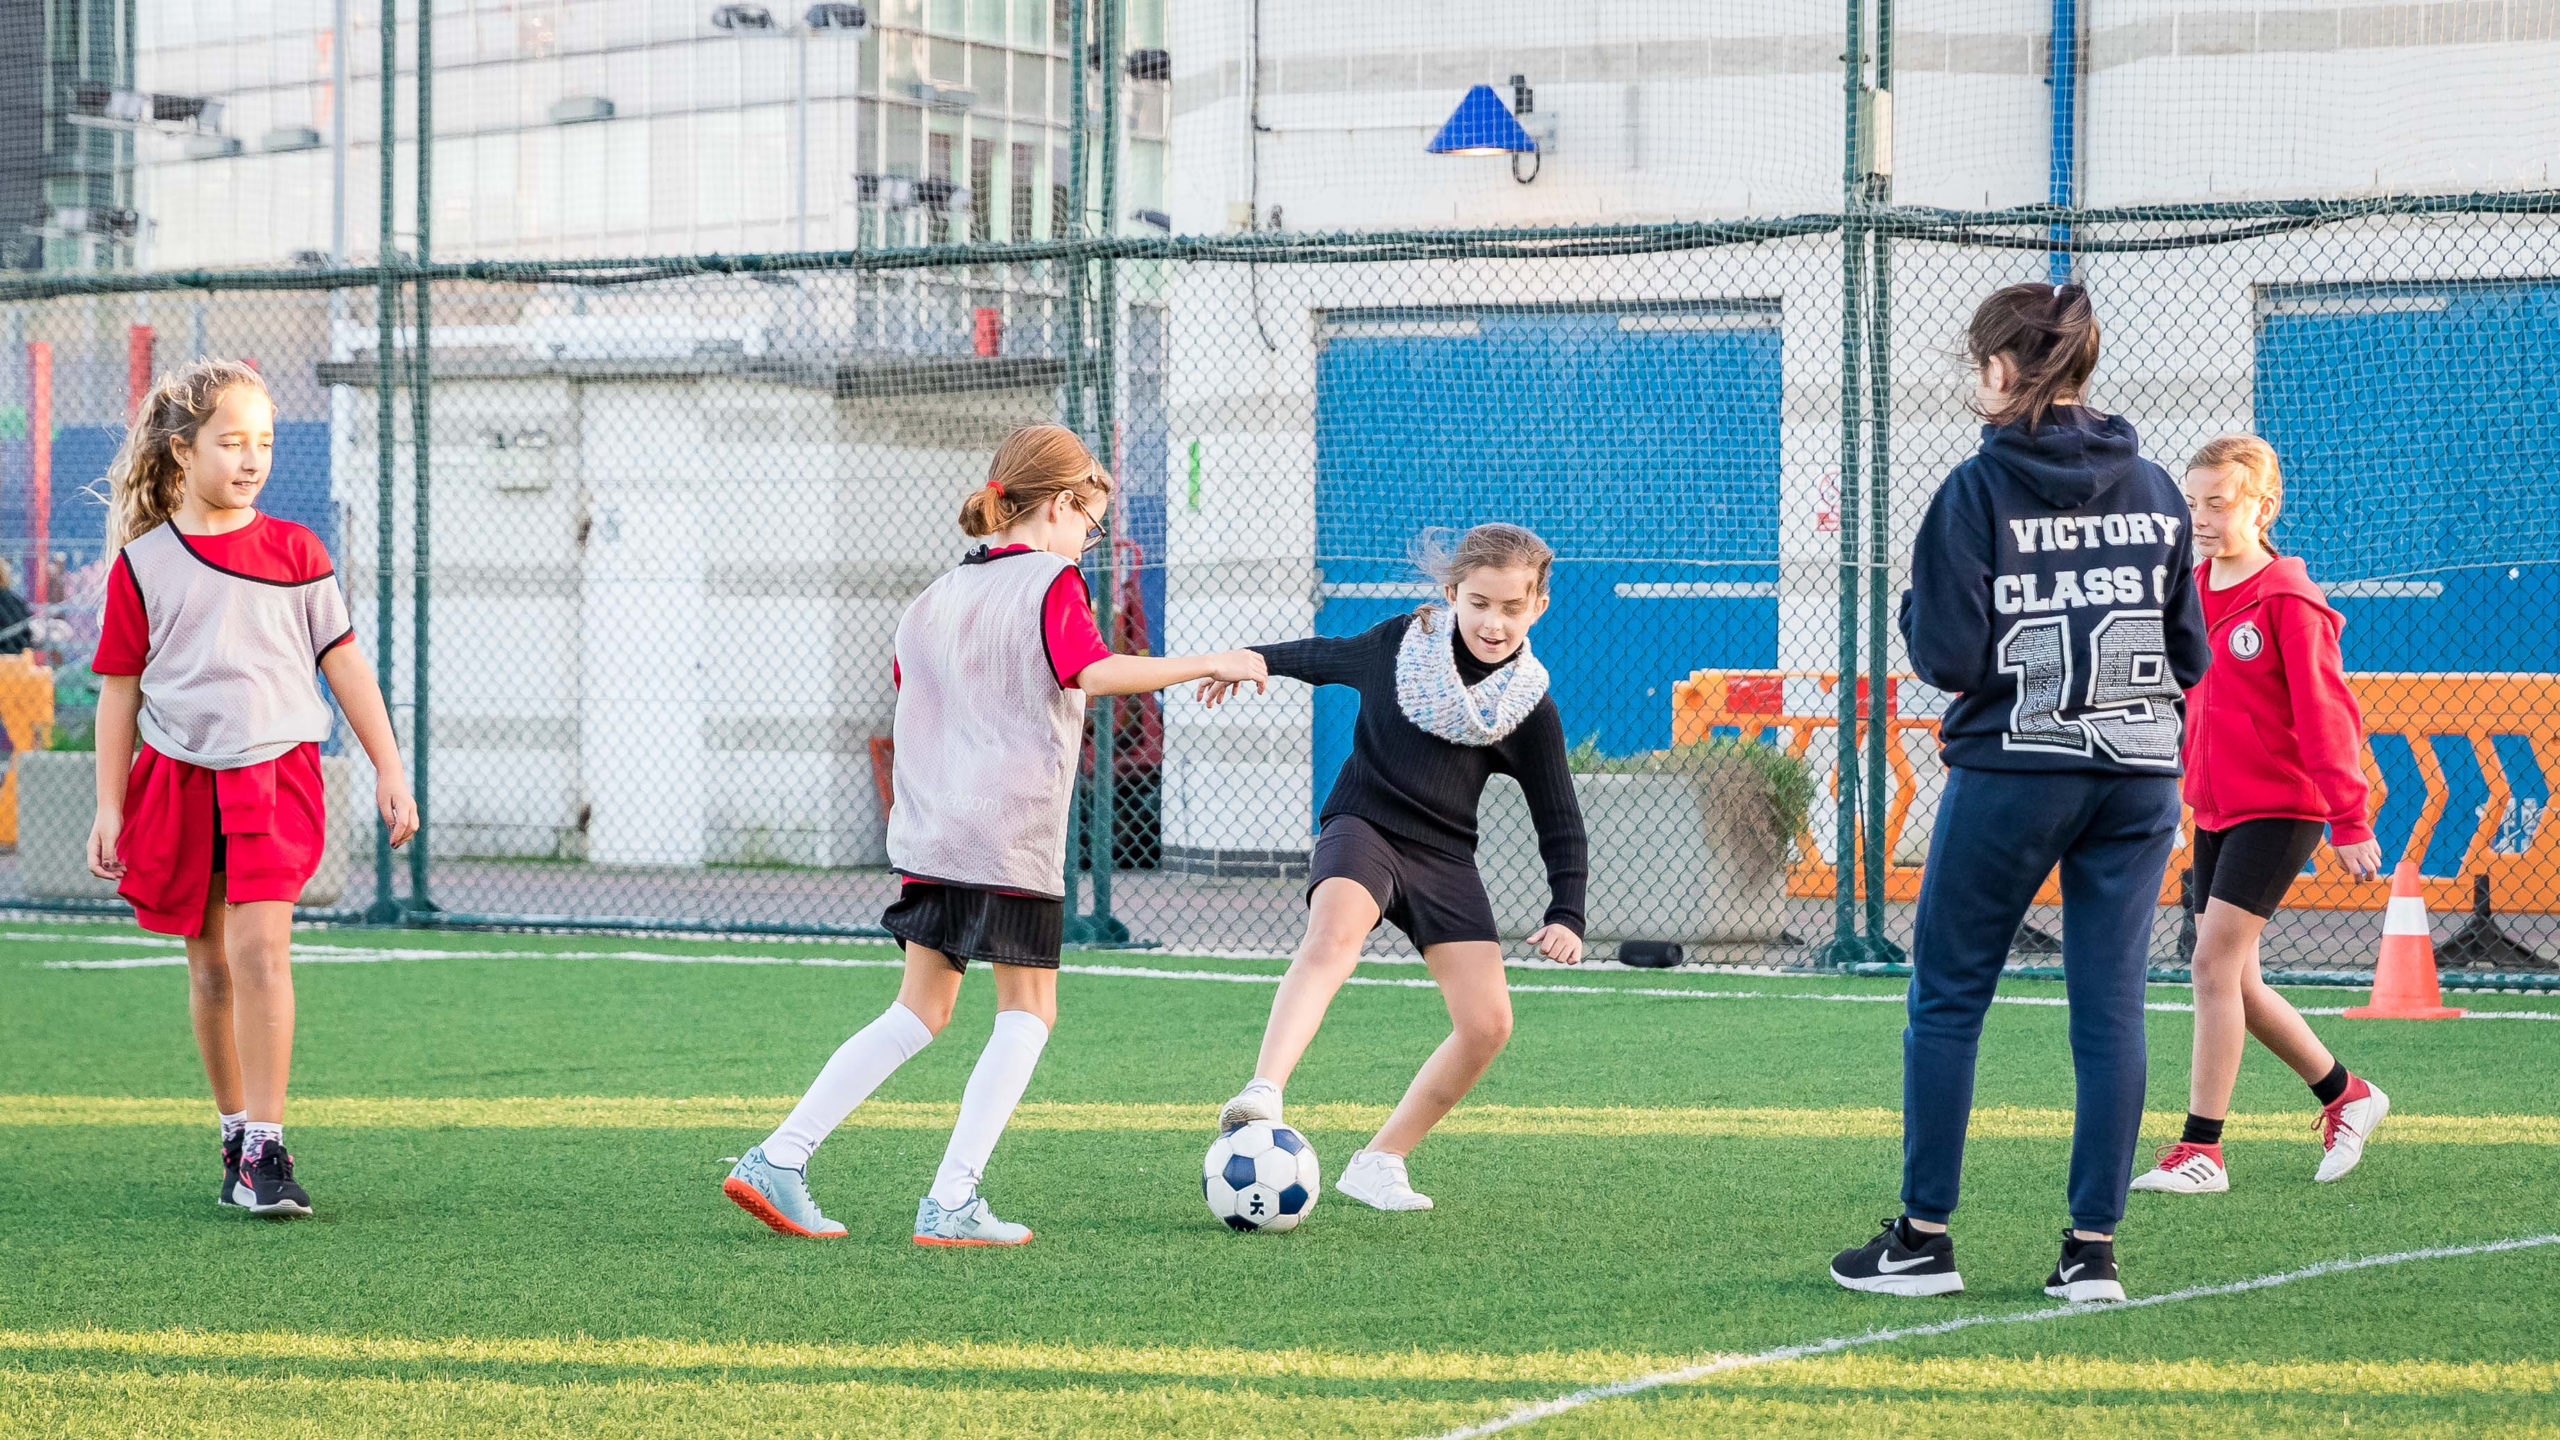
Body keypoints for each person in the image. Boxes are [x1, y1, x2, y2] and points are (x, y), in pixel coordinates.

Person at [723, 424, 1267, 1246]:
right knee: (1028, 1011)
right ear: (1057, 504)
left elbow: (919, 696)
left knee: (918, 1011)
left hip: (931, 832)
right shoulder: (1052, 582)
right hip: (1009, 832)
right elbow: (1090, 672)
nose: (1090, 539)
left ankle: (780, 1156)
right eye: (1089, 520)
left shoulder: (933, 597)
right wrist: (1209, 661)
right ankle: (951, 1202)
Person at [1829, 283, 2208, 1303]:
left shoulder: (1973, 490)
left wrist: (1919, 606)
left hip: (2016, 764)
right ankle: (2091, 1253)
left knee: (1949, 996)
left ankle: (1921, 1238)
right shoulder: (2161, 489)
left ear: (2002, 368)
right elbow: (2188, 653)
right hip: (2137, 773)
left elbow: (1949, 656)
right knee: (2109, 1006)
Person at [85, 358, 420, 1219]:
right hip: (177, 778)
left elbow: (343, 662)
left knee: (262, 952)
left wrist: (388, 765)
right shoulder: (142, 566)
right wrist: (109, 805)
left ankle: (268, 1150)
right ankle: (234, 1130)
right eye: (231, 442)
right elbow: (120, 689)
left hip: (277, 776)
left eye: (263, 442)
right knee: (210, 972)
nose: (251, 459)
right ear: (180, 449)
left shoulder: (299, 551)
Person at [1209, 522, 1587, 1212]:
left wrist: (1567, 911)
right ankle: (1263, 1090)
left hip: (1444, 856)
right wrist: (1248, 658)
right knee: (1333, 937)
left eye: (1511, 607)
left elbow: (1558, 818)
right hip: (1365, 825)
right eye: (1478, 603)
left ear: (1538, 608)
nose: (1493, 622)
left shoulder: (1528, 707)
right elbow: (1321, 655)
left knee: (1488, 1024)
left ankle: (1380, 1159)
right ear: (1451, 594)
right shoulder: (1397, 646)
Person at [2130, 435, 2387, 1197]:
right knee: (2235, 980)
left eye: (2220, 502)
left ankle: (2200, 1150)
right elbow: (2180, 700)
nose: (2201, 518)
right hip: (2215, 809)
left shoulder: (2288, 600)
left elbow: (2325, 715)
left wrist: (2349, 818)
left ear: (2263, 506)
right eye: (2193, 502)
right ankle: (2347, 1094)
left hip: (2281, 808)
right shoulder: (2189, 588)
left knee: (2210, 964)